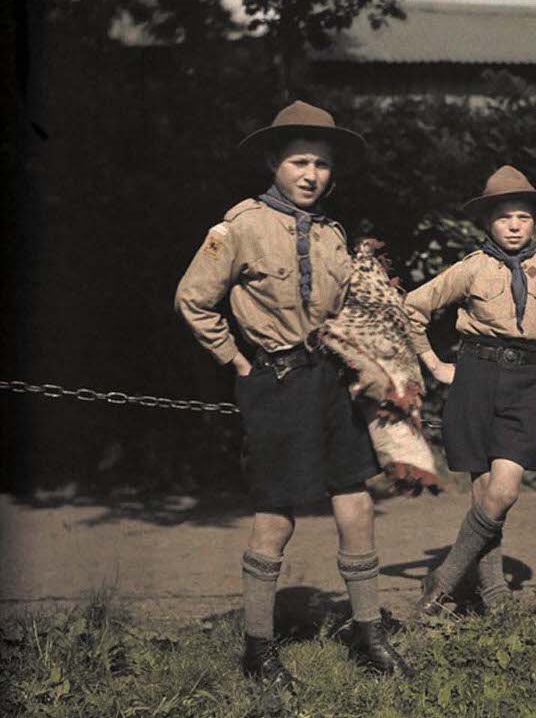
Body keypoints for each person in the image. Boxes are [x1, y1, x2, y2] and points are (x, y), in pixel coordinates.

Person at [174, 101, 407, 685]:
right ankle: (258, 649)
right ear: (273, 163)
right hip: (275, 380)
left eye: (323, 165)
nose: (312, 175)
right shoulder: (240, 228)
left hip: (332, 381)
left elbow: (347, 307)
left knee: (355, 502)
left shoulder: (334, 232)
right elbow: (193, 300)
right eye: (300, 162)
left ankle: (367, 633)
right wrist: (235, 360)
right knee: (276, 512)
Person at [408, 165, 536, 615]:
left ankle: (443, 579)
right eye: (505, 217)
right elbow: (410, 308)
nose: (515, 225)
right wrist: (434, 365)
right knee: (483, 489)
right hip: (475, 377)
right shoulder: (471, 269)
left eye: (523, 216)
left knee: (504, 491)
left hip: (527, 382)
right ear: (489, 222)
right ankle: (494, 595)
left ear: (535, 221)